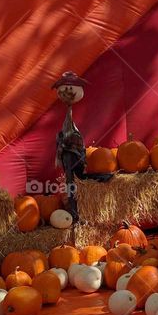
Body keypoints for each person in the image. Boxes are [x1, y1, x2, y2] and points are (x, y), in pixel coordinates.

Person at [52, 71, 111, 220]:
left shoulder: (71, 121)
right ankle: (74, 212)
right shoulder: (67, 119)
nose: (67, 94)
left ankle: (77, 212)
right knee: (71, 182)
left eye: (70, 89)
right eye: (65, 90)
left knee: (77, 179)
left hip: (74, 153)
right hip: (69, 153)